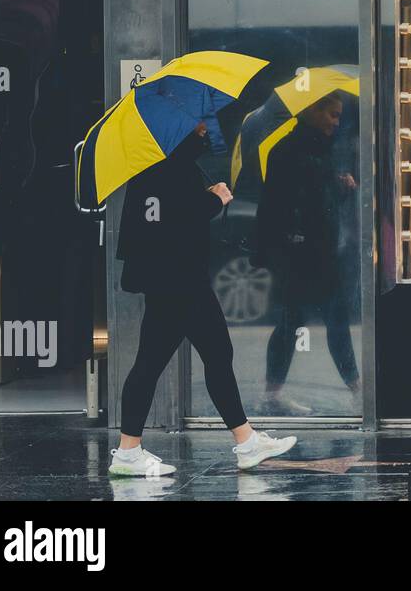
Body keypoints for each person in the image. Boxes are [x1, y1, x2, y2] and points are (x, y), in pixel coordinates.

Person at [111, 123, 296, 477]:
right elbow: (181, 219)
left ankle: (242, 440)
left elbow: (160, 218)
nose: (204, 132)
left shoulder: (153, 167)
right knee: (189, 358)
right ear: (179, 133)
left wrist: (204, 194)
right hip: (181, 282)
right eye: (197, 129)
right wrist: (217, 197)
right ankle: (130, 450)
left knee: (183, 359)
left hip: (167, 280)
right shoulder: (174, 169)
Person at [254, 94, 360, 415]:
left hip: (314, 250)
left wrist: (338, 188)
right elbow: (291, 203)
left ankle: (275, 394)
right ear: (313, 111)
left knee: (300, 320)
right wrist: (332, 186)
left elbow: (317, 200)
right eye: (331, 115)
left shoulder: (317, 148)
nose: (336, 122)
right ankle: (357, 390)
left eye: (339, 116)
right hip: (300, 252)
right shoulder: (292, 151)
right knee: (314, 320)